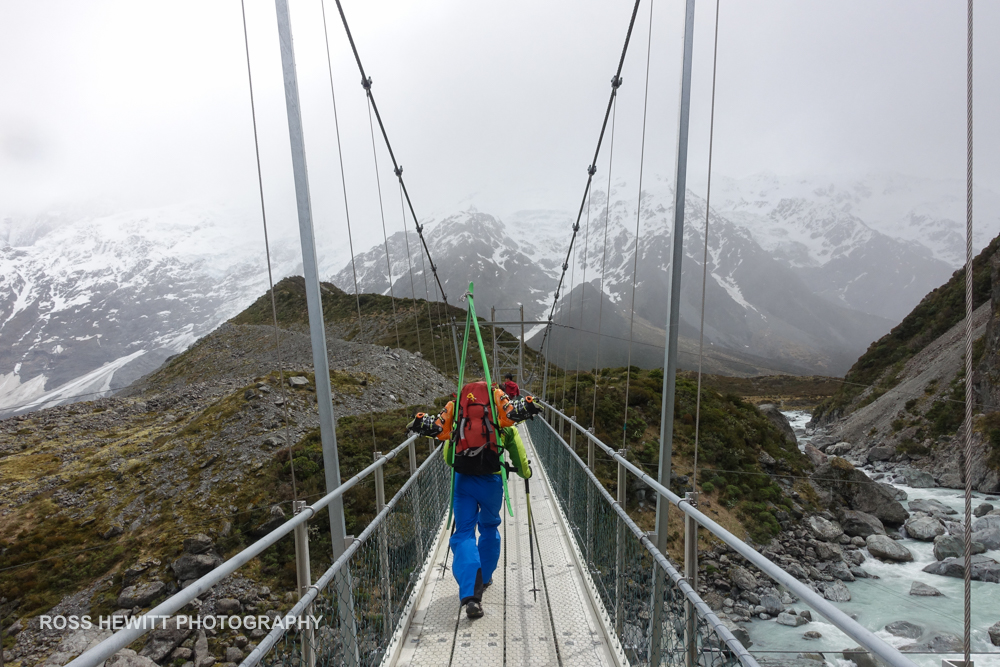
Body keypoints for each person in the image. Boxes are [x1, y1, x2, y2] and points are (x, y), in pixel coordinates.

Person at [408, 380, 537, 619]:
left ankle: (470, 593)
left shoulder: (458, 413)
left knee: (464, 533)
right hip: (491, 482)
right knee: (489, 528)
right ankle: (485, 577)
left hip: (463, 482)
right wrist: (525, 472)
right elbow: (518, 455)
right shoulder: (500, 416)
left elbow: (449, 459)